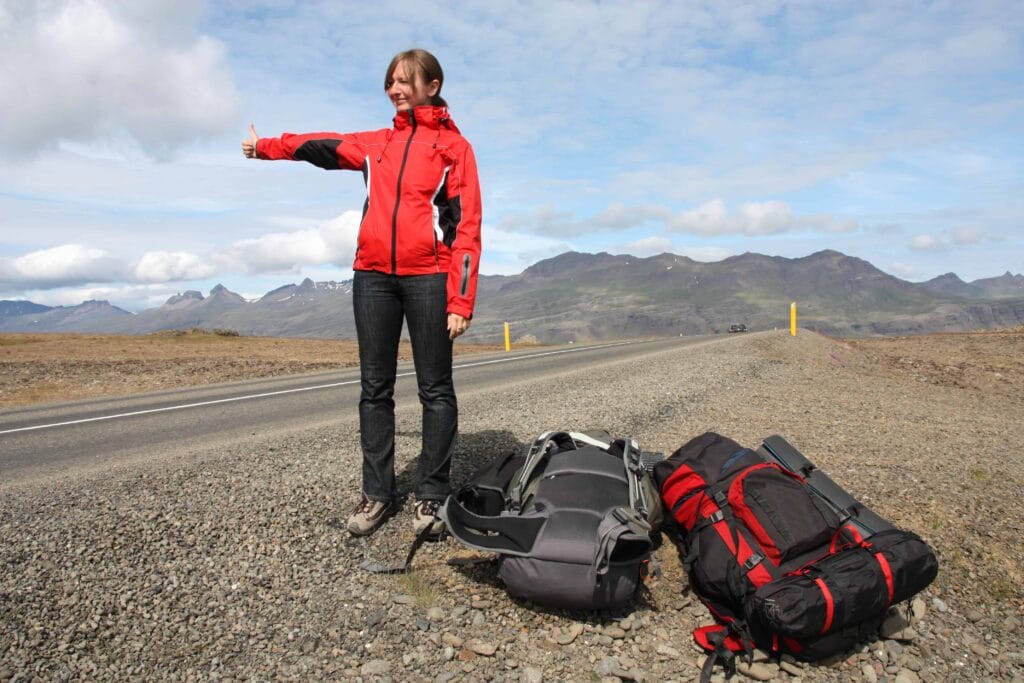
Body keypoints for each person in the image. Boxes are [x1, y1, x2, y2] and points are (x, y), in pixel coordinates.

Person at [242, 48, 482, 537]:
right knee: (375, 390)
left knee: (435, 390)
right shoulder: (377, 144)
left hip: (430, 278)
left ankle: (432, 496)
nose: (395, 89)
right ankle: (378, 495)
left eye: (405, 81)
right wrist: (267, 146)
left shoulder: (454, 149)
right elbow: (319, 146)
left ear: (432, 85)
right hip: (372, 276)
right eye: (390, 82)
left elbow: (467, 228)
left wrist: (460, 299)